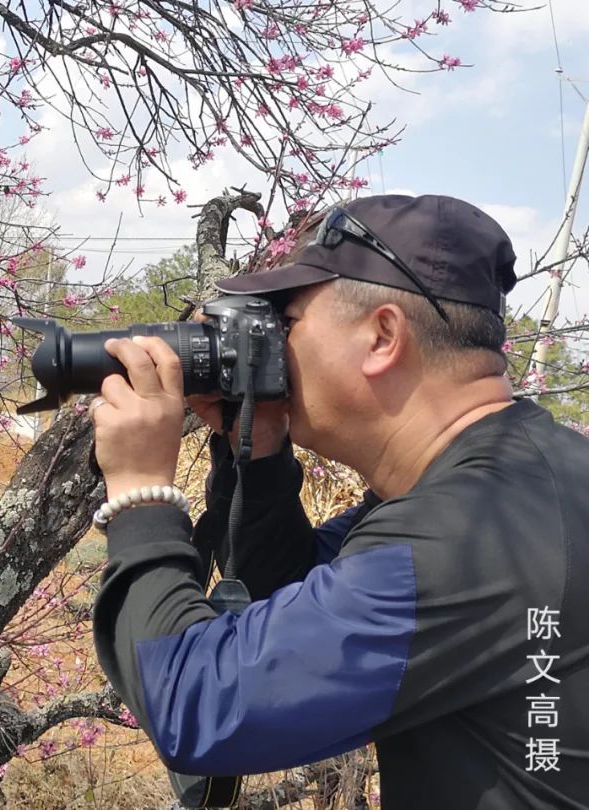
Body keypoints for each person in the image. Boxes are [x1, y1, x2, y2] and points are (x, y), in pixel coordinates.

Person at [88, 194, 589, 809]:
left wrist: (140, 493)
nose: (272, 345)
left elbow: (196, 704)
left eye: (287, 321)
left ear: (382, 336)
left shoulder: (466, 532)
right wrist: (261, 453)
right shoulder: (509, 483)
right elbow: (302, 596)